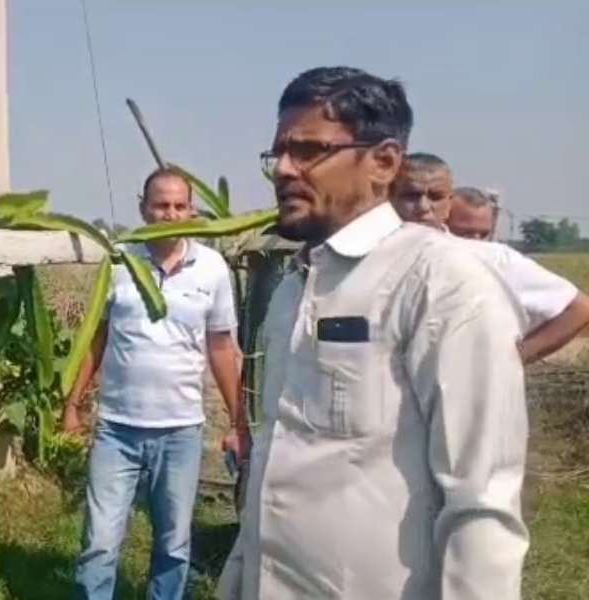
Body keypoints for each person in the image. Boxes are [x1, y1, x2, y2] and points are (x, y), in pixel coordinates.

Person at [217, 66, 529, 600]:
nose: (285, 170)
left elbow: (482, 499)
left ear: (383, 161)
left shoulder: (441, 283)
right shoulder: (296, 284)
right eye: (278, 154)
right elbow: (275, 455)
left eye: (309, 150)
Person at [63, 166, 249, 599]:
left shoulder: (212, 269)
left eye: (179, 205)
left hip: (181, 430)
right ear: (142, 208)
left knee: (173, 544)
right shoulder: (120, 261)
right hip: (116, 429)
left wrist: (238, 422)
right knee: (100, 544)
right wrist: (73, 403)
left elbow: (221, 348)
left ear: (192, 209)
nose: (170, 214)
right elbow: (97, 335)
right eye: (161, 205)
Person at [392, 156, 589, 364]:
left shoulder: (493, 259)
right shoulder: (367, 255)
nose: (423, 207)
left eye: (436, 196)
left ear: (448, 203)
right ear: (388, 197)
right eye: (410, 196)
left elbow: (578, 309)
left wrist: (506, 364)